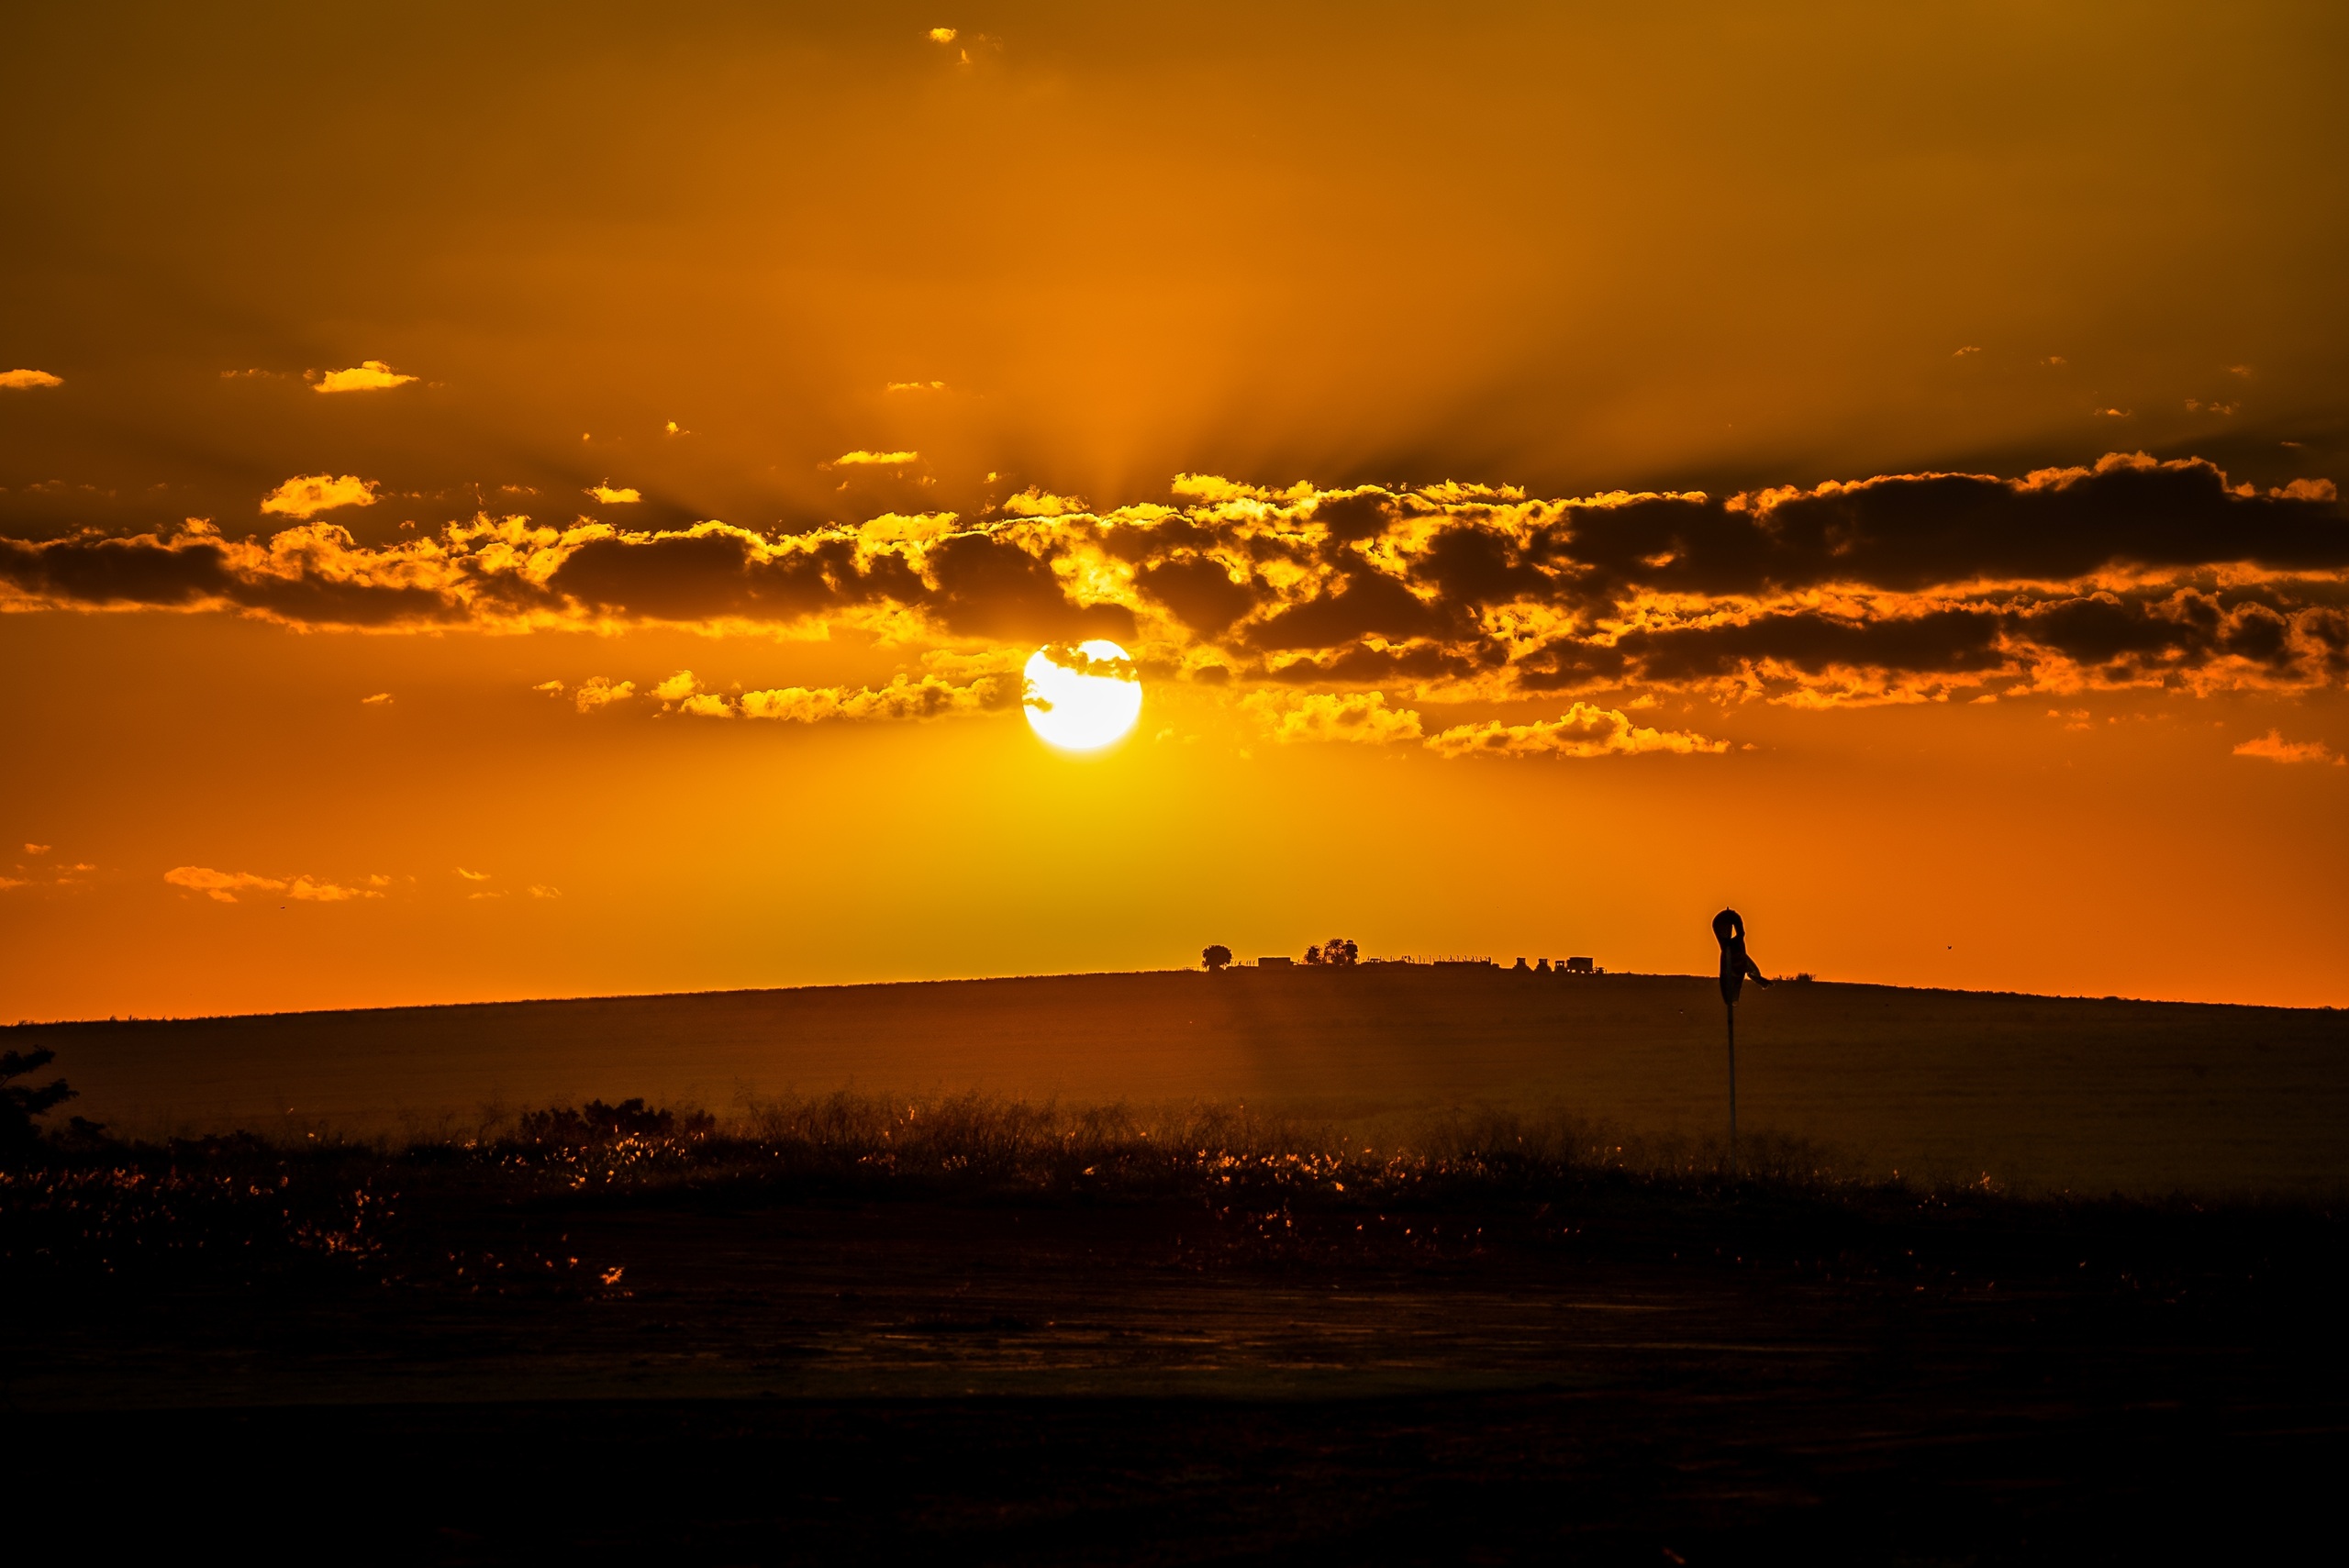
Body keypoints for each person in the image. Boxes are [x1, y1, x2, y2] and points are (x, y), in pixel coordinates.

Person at [1713, 908, 1771, 1006]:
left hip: (1736, 960)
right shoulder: (1734, 954)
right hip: (1735, 961)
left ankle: (1732, 998)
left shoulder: (1737, 954)